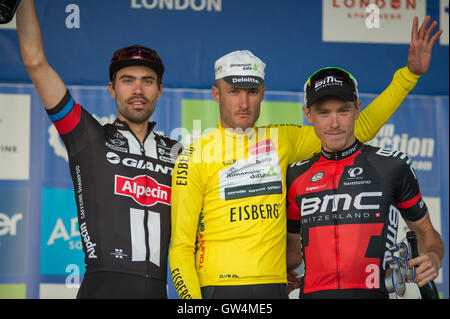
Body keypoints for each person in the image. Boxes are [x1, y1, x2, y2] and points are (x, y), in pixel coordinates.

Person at [168, 16, 442, 299]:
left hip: (275, 286)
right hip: (218, 287)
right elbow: (180, 247)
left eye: (251, 92)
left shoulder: (281, 139)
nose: (243, 102)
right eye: (233, 92)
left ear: (263, 93)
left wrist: (408, 76)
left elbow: (356, 128)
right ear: (216, 94)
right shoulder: (194, 155)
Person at [16, 0, 180, 298]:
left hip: (158, 290)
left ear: (160, 89)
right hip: (102, 288)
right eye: (127, 81)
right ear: (111, 88)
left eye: (147, 81)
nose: (138, 90)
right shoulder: (87, 137)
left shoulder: (179, 153)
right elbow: (34, 61)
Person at [285, 64, 444, 299]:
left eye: (343, 110)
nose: (334, 123)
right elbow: (292, 251)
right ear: (308, 115)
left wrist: (434, 256)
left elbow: (427, 232)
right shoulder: (295, 175)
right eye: (323, 112)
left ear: (358, 109)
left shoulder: (393, 165)